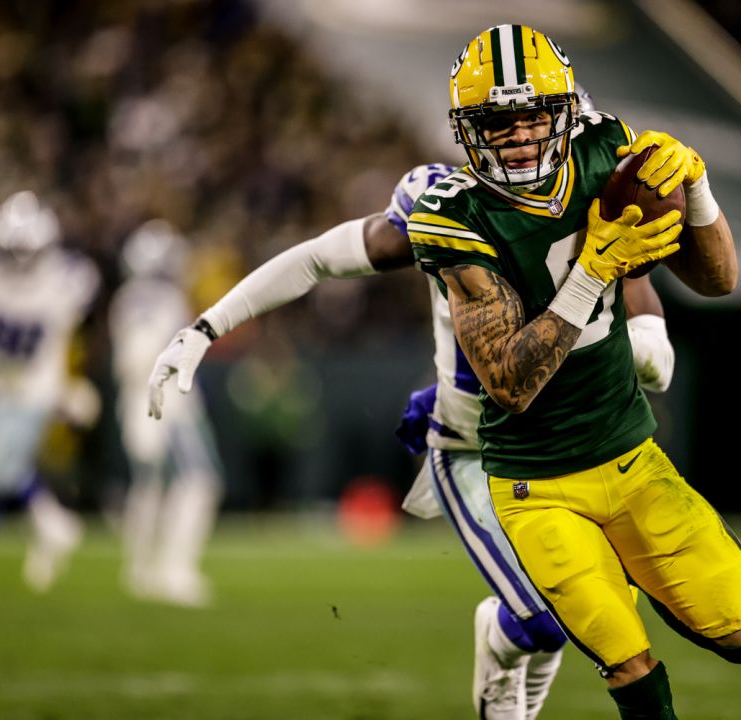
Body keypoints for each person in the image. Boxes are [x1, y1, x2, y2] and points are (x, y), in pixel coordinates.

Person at [147, 109, 676, 720]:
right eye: (511, 129)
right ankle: (502, 647)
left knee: (593, 608)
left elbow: (638, 296)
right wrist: (206, 327)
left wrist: (648, 334)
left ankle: (513, 700)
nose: (530, 148)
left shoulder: (597, 204)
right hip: (479, 448)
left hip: (572, 446)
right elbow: (318, 257)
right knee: (549, 611)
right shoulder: (445, 209)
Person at [407, 25, 741, 719]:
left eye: (531, 115)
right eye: (494, 121)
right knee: (629, 664)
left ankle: (640, 577)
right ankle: (608, 607)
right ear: (467, 128)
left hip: (631, 454)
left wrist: (695, 190)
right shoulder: (455, 216)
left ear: (564, 111)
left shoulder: (606, 151)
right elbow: (511, 385)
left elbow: (719, 279)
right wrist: (593, 269)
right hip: (536, 481)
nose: (515, 136)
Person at [0, 190, 101, 600]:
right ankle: (50, 519)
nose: (19, 262)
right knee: (0, 465)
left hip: (36, 389)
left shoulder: (68, 279)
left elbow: (75, 330)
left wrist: (71, 386)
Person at [111, 220, 224, 607]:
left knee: (150, 487)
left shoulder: (129, 297)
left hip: (140, 401)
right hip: (166, 403)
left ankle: (140, 569)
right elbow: (139, 353)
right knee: (199, 481)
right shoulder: (157, 298)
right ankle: (174, 571)